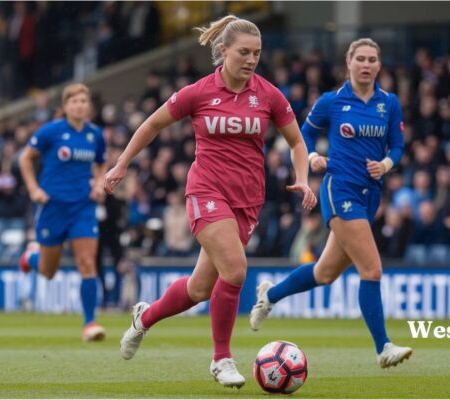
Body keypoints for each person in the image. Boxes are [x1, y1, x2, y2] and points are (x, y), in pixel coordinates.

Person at [106, 15, 316, 389]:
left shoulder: (268, 94)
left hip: (248, 201)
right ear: (223, 51)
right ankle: (221, 359)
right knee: (235, 271)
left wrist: (301, 178)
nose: (251, 60)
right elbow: (152, 124)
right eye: (244, 52)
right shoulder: (199, 92)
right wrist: (122, 164)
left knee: (200, 289)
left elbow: (298, 143)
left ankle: (144, 317)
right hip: (206, 192)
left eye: (257, 53)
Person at [250, 38, 413, 369]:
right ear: (349, 63)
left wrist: (386, 165)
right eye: (360, 59)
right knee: (372, 268)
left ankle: (270, 296)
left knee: (325, 273)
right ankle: (383, 347)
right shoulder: (331, 102)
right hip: (339, 190)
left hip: (371, 194)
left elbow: (397, 146)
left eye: (372, 60)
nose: (366, 65)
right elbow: (302, 134)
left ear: (379, 66)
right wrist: (312, 157)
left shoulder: (389, 103)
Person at [18, 83, 107, 342]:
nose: (79, 105)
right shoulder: (51, 131)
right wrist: (34, 189)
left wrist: (99, 184)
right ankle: (30, 258)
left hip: (82, 207)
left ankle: (90, 323)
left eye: (83, 101)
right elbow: (25, 158)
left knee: (87, 263)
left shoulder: (95, 135)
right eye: (74, 101)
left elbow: (101, 163)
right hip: (53, 206)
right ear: (65, 106)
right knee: (48, 270)